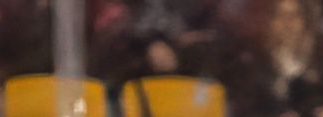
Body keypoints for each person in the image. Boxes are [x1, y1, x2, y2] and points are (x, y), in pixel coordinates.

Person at [90, 0, 224, 86]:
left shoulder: (200, 10)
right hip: (130, 85)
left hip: (190, 87)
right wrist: (151, 44)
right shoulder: (121, 12)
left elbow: (212, 36)